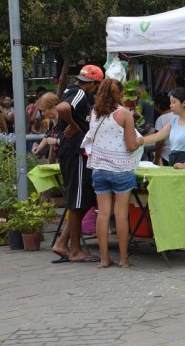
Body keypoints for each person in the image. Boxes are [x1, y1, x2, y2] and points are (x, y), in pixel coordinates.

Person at [86, 78, 142, 268]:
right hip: (121, 170)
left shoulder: (94, 113)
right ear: (119, 94)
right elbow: (132, 145)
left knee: (103, 214)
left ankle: (104, 258)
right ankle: (124, 259)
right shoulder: (124, 114)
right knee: (120, 214)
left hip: (99, 169)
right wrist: (142, 141)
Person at [52, 64, 103, 263]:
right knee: (77, 201)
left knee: (84, 199)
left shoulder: (69, 90)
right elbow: (62, 108)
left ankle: (62, 243)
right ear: (92, 83)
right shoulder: (79, 93)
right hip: (75, 151)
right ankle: (75, 250)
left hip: (70, 151)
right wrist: (74, 125)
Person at [142, 87, 185, 168]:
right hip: (173, 160)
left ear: (184, 103)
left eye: (173, 102)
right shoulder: (174, 121)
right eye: (170, 102)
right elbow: (158, 136)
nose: (171, 105)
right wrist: (140, 141)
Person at [152, 92, 177, 166]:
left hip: (166, 155)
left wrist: (156, 160)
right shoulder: (178, 115)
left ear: (158, 106)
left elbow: (159, 142)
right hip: (179, 154)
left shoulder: (161, 119)